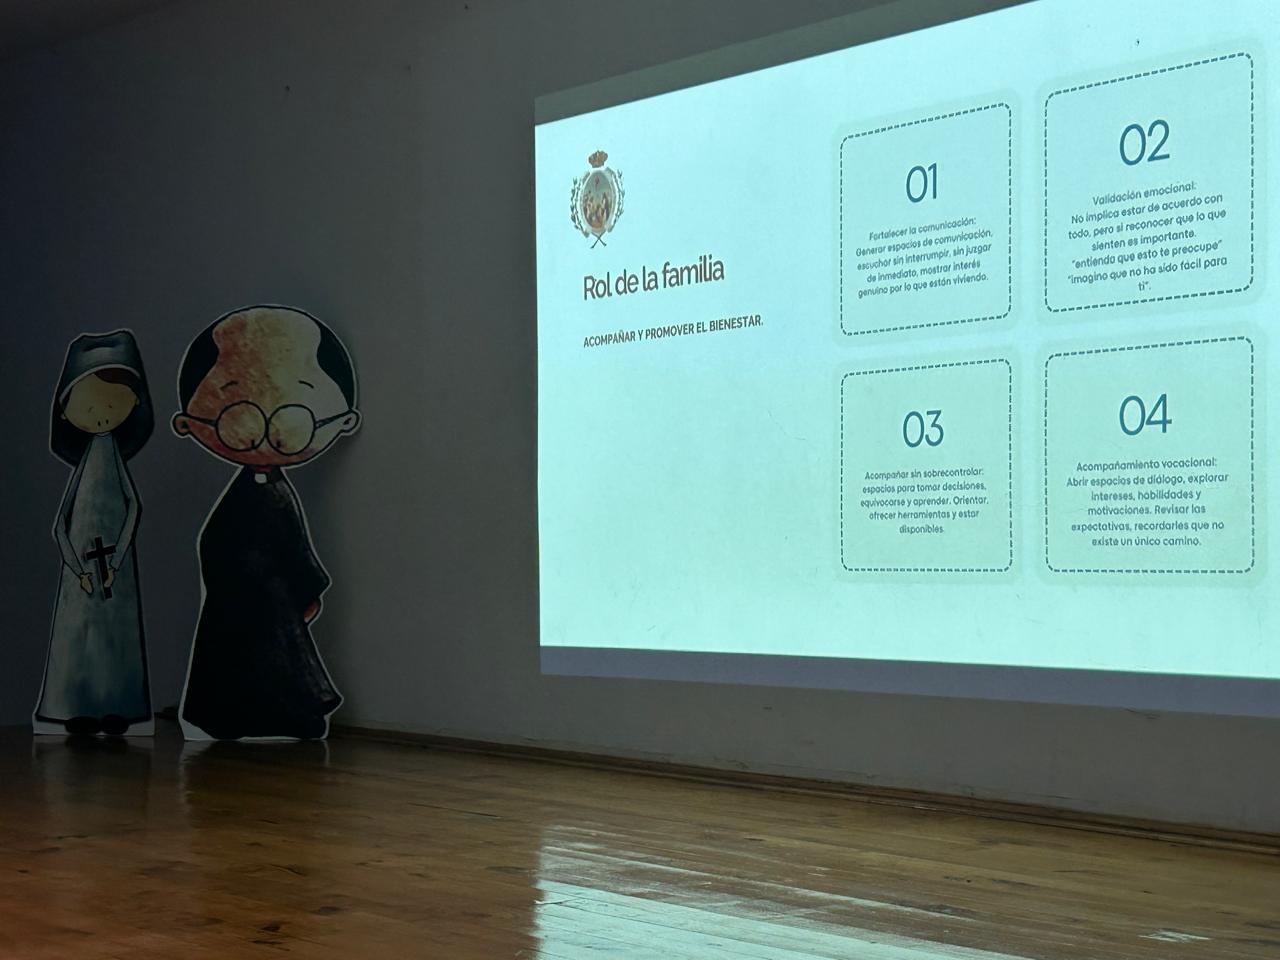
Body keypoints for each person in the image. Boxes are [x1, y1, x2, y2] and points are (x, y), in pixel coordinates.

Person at [173, 305, 359, 740]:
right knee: (239, 662)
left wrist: (304, 588)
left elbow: (294, 544)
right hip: (236, 599)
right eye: (239, 415)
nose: (266, 429)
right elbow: (215, 542)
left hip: (270, 600)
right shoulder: (251, 494)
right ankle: (230, 718)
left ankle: (287, 718)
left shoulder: (276, 495)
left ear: (343, 421)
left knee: (279, 661)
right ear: (188, 424)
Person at [35, 330, 155, 737]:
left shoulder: (112, 459)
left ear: (135, 403)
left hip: (113, 572)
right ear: (65, 411)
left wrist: (116, 561)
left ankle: (118, 705)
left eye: (114, 401)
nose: (101, 413)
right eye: (88, 404)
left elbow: (133, 508)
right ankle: (76, 705)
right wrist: (77, 568)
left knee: (117, 637)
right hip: (84, 575)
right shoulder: (85, 465)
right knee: (79, 636)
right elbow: (61, 523)